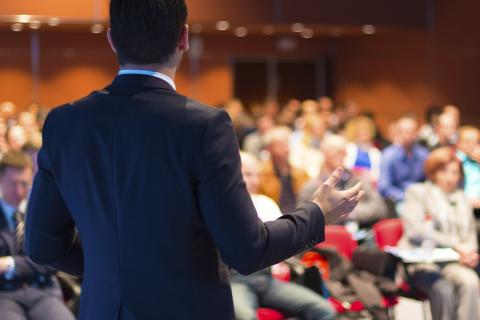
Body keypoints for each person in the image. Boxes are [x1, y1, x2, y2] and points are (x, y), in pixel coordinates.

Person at [24, 1, 363, 319]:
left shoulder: (64, 123)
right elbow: (247, 250)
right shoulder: (203, 127)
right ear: (184, 37)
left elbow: (41, 245)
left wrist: (113, 267)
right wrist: (316, 213)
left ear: (112, 40)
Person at [231, 152, 336, 320]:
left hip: (266, 279)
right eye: (248, 174)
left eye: (257, 175)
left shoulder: (265, 202)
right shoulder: (223, 208)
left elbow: (286, 238)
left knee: (324, 310)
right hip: (236, 280)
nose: (255, 181)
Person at [399, 147, 480, 320]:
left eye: (454, 172)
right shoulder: (418, 192)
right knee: (443, 288)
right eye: (444, 171)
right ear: (433, 172)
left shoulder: (463, 198)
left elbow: (471, 232)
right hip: (423, 262)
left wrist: (470, 252)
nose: (449, 177)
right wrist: (455, 244)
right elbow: (416, 231)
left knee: (470, 281)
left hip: (454, 261)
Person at [0, 152, 75, 320]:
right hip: (4, 295)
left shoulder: (41, 212)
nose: (19, 191)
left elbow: (51, 260)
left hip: (43, 289)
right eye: (13, 184)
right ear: (0, 180)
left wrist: (10, 263)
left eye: (24, 184)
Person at [298, 135, 387, 228]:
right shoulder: (312, 186)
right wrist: (333, 214)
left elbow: (379, 208)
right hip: (328, 238)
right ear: (325, 153)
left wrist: (350, 213)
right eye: (337, 151)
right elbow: (304, 220)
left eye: (344, 152)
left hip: (362, 233)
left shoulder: (358, 179)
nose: (343, 155)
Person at [378, 115, 429, 213]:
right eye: (404, 131)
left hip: (422, 197)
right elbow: (384, 187)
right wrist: (406, 197)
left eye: (412, 131)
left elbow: (430, 180)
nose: (408, 134)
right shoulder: (388, 155)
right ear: (397, 133)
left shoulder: (424, 154)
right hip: (400, 200)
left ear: (417, 133)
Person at [259, 126, 310, 213]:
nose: (285, 149)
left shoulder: (301, 173)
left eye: (287, 144)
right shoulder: (261, 173)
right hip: (274, 218)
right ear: (269, 149)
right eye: (280, 145)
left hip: (298, 216)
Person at [343, 115, 382, 184]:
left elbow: (378, 174)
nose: (365, 132)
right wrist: (359, 172)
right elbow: (345, 167)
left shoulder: (376, 152)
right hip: (349, 182)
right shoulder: (348, 148)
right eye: (361, 130)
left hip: (370, 184)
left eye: (367, 130)